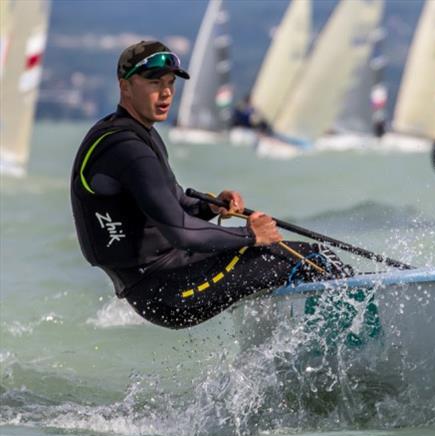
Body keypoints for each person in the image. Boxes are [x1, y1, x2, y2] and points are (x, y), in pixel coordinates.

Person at [70, 41, 348, 330]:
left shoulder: (133, 134)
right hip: (168, 291)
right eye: (154, 83)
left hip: (166, 278)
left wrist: (209, 206)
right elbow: (179, 231)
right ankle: (354, 340)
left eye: (170, 83)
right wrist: (250, 235)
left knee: (298, 259)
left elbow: (172, 202)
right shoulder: (127, 147)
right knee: (316, 258)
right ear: (125, 86)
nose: (166, 93)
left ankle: (295, 347)